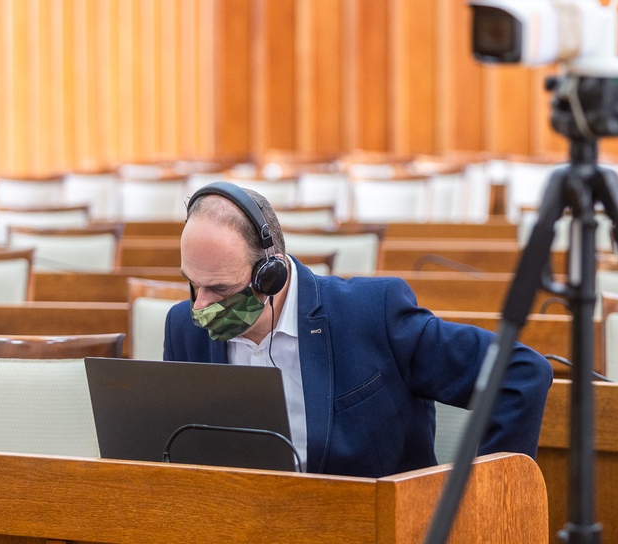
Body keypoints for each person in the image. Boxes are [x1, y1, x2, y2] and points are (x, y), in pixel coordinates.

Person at [164, 181, 553, 478]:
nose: (200, 306)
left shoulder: (371, 313)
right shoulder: (185, 328)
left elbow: (521, 373)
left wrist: (481, 499)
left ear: (272, 274)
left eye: (220, 289)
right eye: (193, 284)